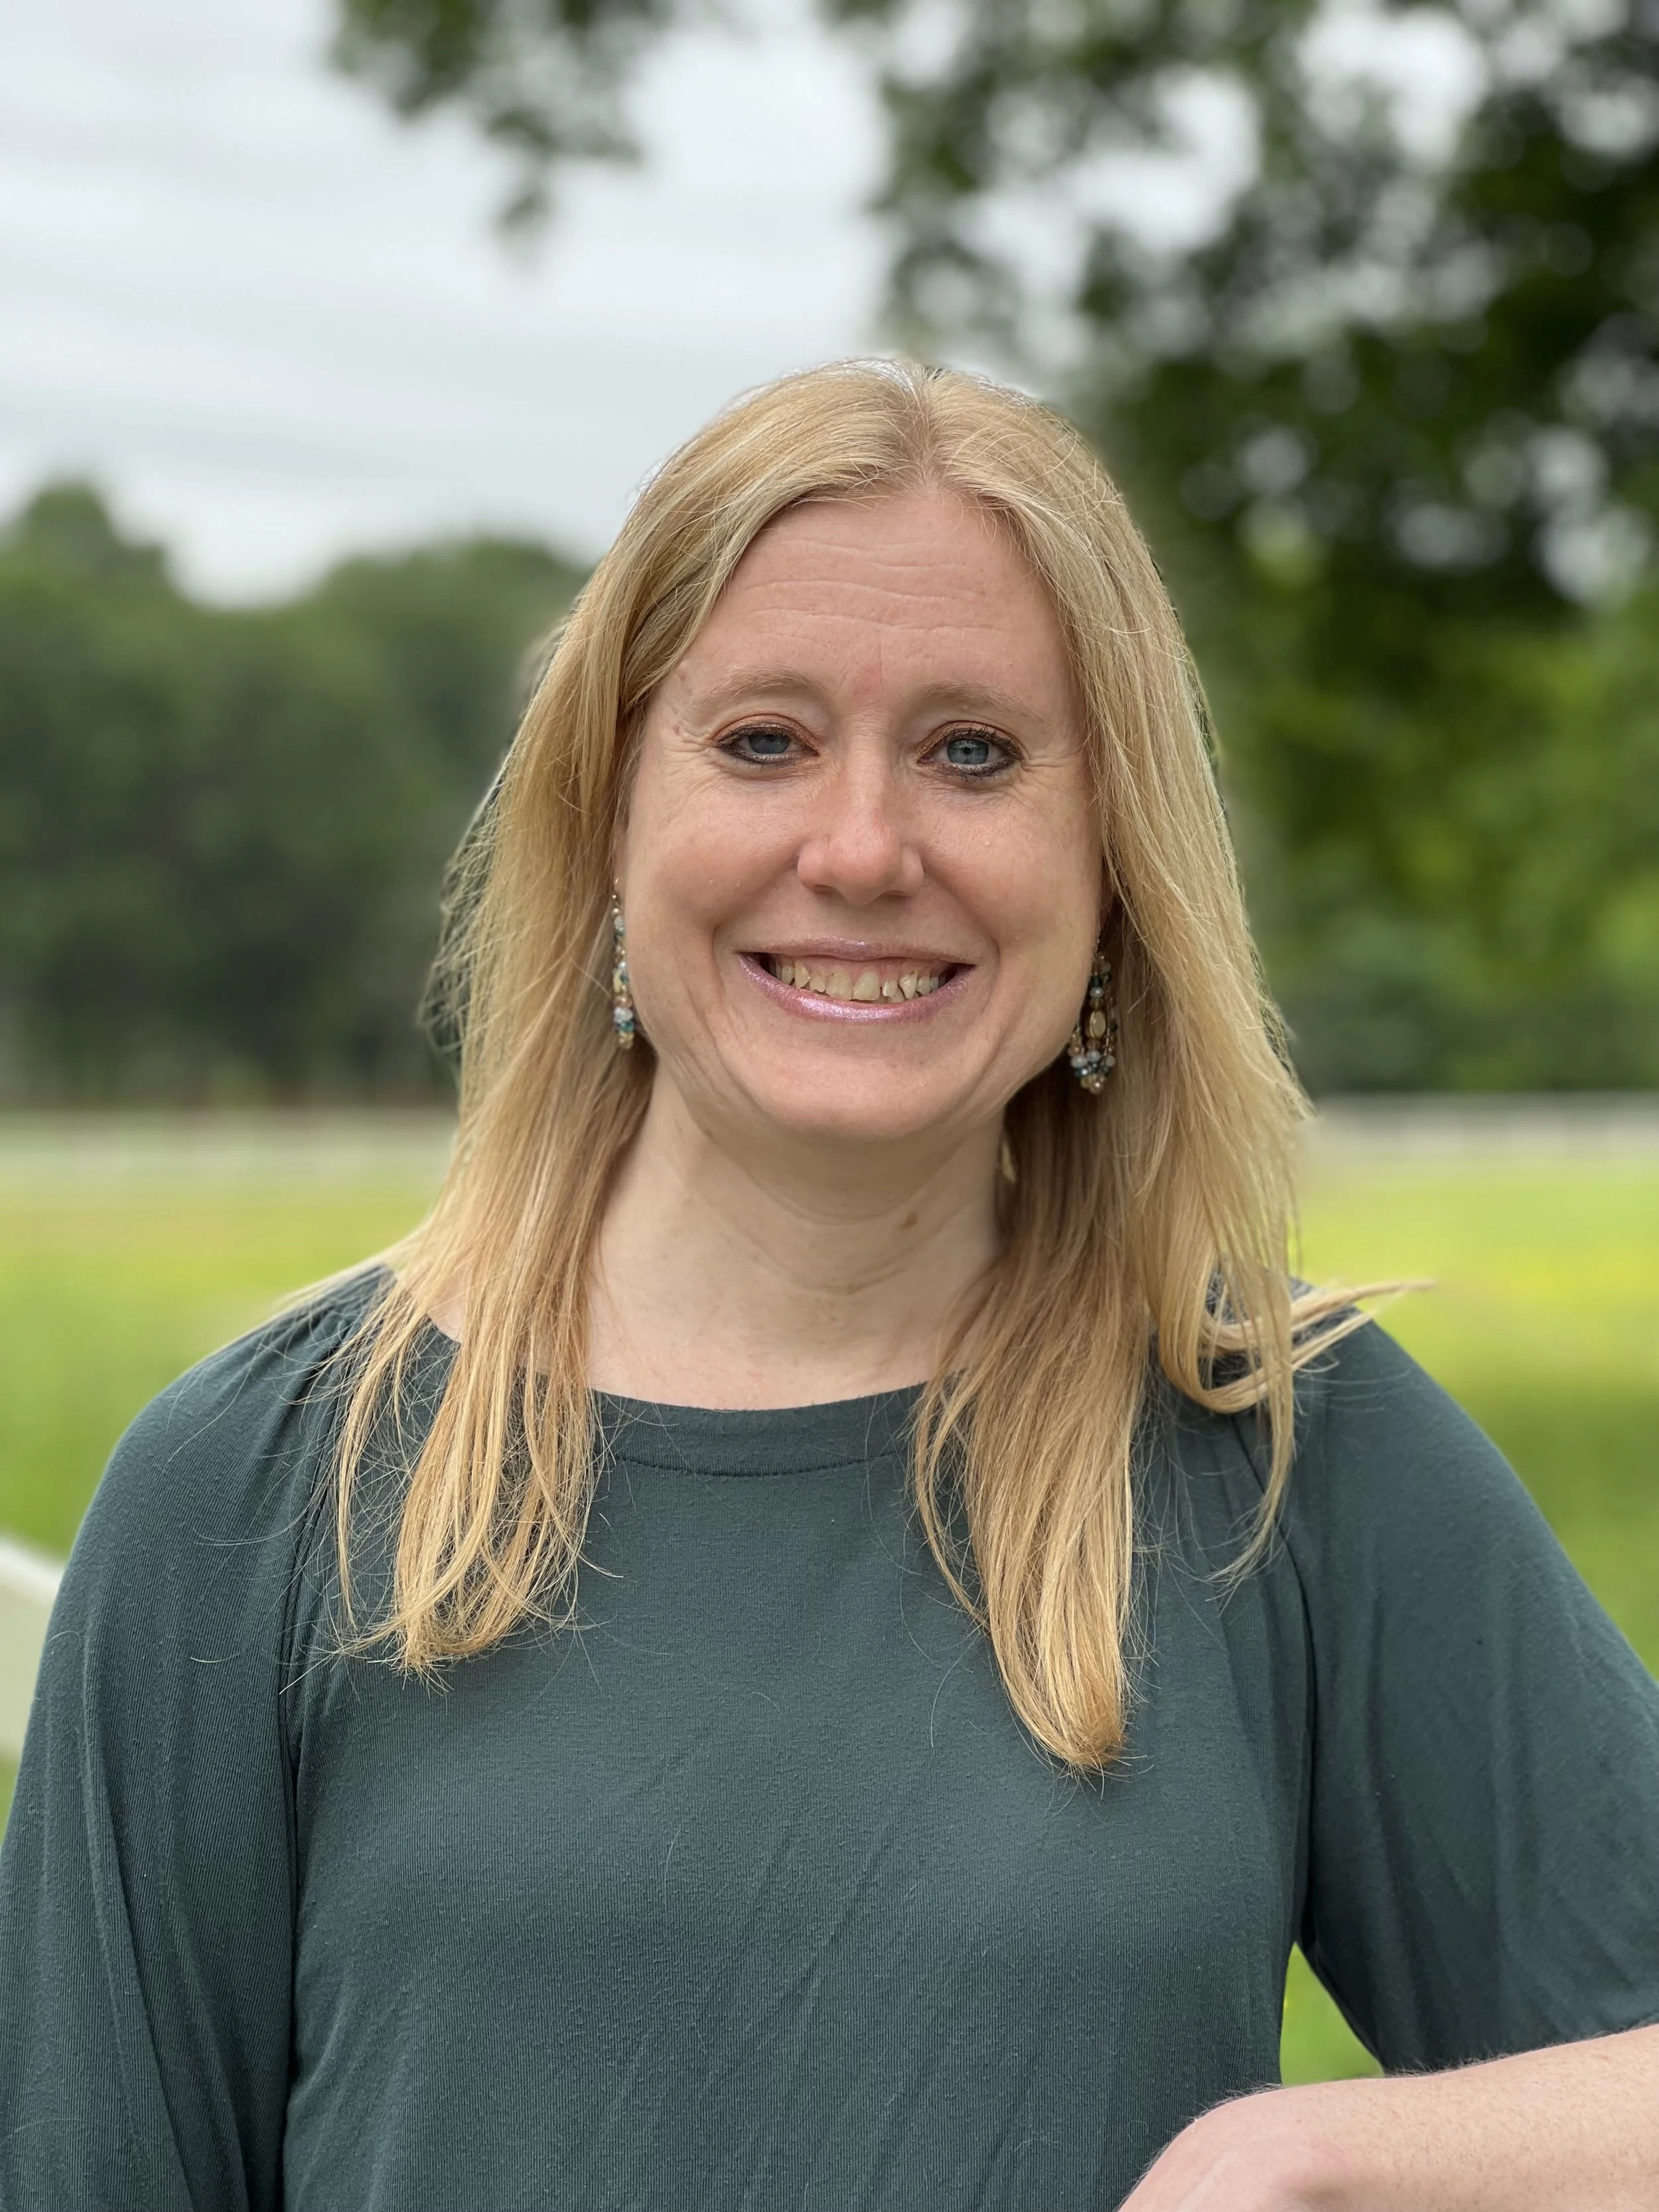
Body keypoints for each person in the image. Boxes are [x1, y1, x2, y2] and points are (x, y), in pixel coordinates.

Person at [1, 360, 1656, 2212]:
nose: (862, 849)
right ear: (608, 818)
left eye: (972, 753)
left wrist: (1314, 2156)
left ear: (1111, 865)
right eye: (763, 741)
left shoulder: (1281, 1450)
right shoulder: (256, 1485)